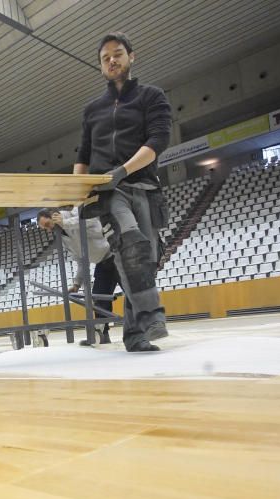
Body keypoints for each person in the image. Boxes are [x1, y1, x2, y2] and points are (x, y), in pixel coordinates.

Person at [75, 32, 171, 352]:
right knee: (129, 240)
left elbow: (157, 141)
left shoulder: (152, 96)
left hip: (144, 186)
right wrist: (80, 191)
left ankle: (135, 335)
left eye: (118, 54)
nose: (112, 60)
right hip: (108, 192)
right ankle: (151, 313)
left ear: (132, 56)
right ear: (101, 65)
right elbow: (83, 157)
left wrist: (123, 171)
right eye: (106, 58)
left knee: (146, 260)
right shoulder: (91, 110)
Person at [36, 208, 117, 345]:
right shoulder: (63, 237)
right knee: (99, 298)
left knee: (131, 292)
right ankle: (103, 334)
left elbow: (93, 222)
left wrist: (65, 223)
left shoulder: (76, 212)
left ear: (54, 216)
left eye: (47, 224)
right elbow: (81, 260)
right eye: (44, 228)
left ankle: (144, 327)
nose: (48, 229)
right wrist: (77, 284)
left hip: (116, 255)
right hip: (102, 263)